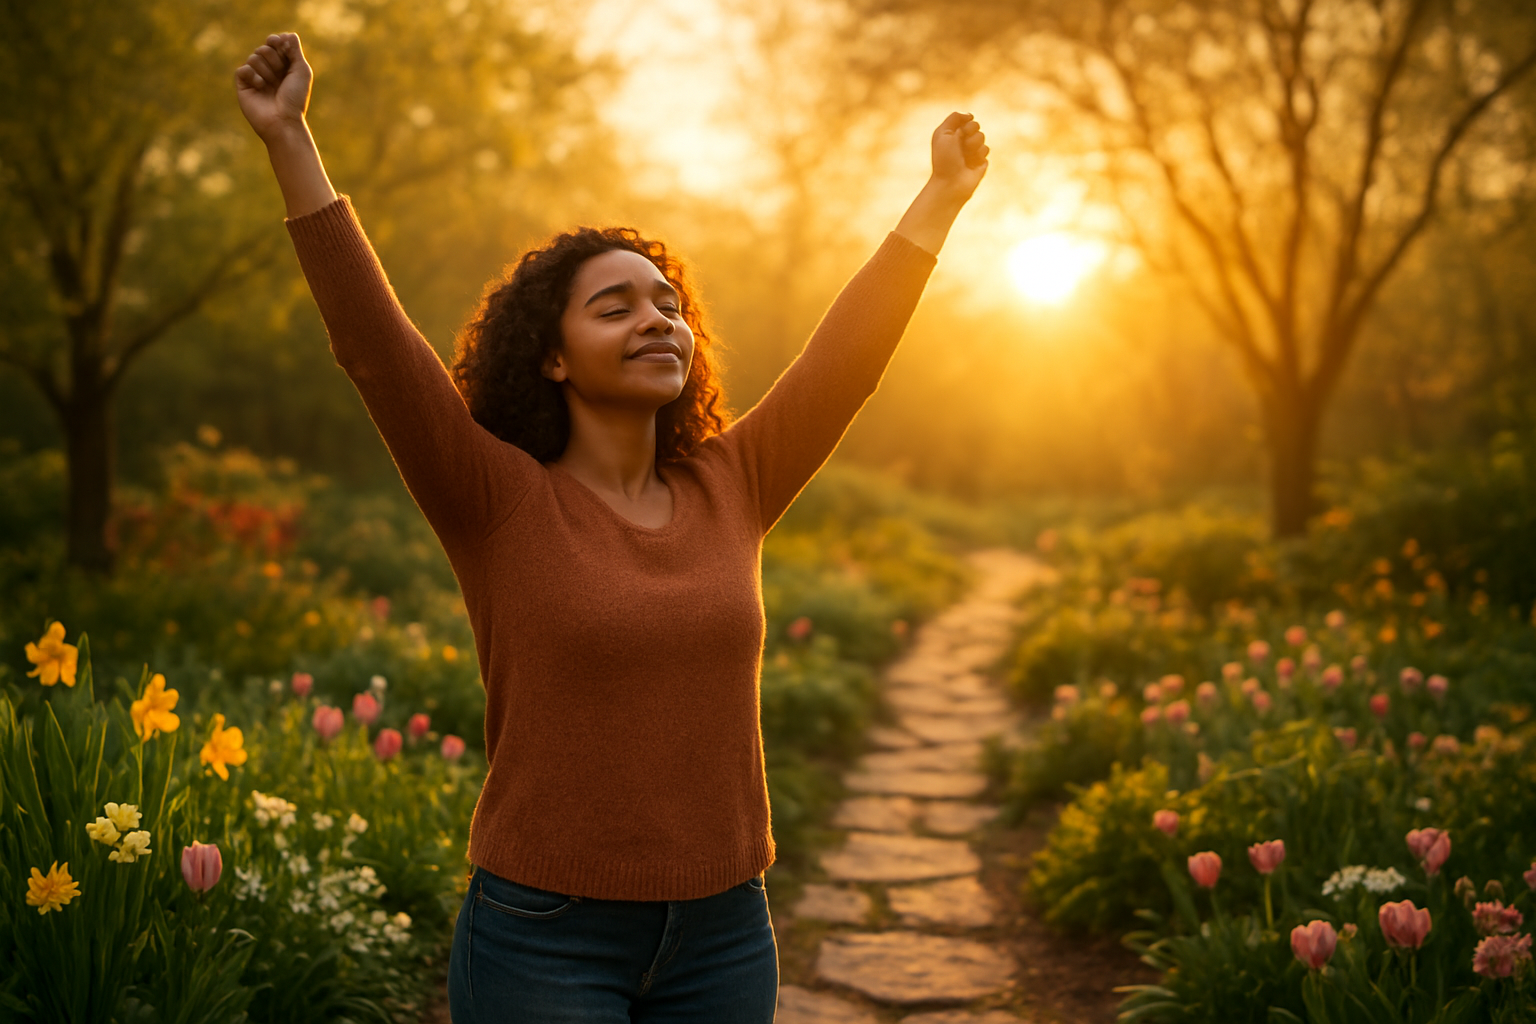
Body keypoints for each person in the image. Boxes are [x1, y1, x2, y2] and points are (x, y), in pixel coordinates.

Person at [235, 31, 987, 1024]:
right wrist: (290, 139)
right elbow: (375, 346)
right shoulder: (495, 499)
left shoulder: (734, 483)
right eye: (615, 307)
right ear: (551, 357)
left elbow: (843, 364)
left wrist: (939, 197)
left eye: (669, 305)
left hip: (726, 932)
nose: (657, 320)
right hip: (544, 934)